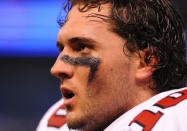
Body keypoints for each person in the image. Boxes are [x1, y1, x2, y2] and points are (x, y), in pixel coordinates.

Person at [37, 0, 187, 130]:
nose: (57, 69)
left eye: (82, 47)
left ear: (146, 61)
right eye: (62, 49)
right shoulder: (56, 121)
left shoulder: (178, 116)